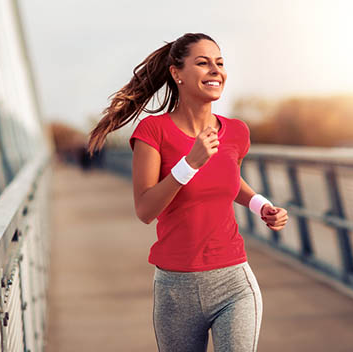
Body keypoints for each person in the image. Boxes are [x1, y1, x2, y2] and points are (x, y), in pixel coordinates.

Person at [87, 33, 288, 352]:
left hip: (234, 281)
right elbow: (145, 210)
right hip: (175, 289)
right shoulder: (152, 132)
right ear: (176, 73)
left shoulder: (236, 131)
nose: (215, 70)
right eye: (203, 63)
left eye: (220, 63)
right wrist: (189, 163)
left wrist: (260, 204)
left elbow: (228, 180)